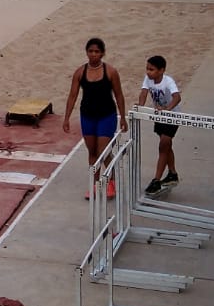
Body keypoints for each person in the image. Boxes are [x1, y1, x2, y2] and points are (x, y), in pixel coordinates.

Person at [63, 37, 128, 199]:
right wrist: (66, 118)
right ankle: (95, 184)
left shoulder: (111, 72)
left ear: (103, 53)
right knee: (92, 151)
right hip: (88, 116)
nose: (93, 54)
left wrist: (122, 117)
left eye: (97, 51)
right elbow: (72, 96)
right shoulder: (80, 72)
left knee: (103, 152)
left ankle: (111, 182)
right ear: (86, 52)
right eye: (90, 51)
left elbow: (119, 95)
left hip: (107, 115)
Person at [139, 55, 181, 197]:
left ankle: (156, 180)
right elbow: (143, 93)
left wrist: (167, 110)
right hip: (158, 116)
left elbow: (177, 97)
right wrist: (140, 107)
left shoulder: (168, 82)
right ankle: (172, 174)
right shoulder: (148, 79)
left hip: (172, 116)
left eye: (151, 69)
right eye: (147, 69)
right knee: (166, 145)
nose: (148, 72)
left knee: (163, 145)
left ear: (161, 70)